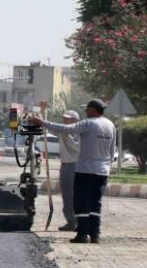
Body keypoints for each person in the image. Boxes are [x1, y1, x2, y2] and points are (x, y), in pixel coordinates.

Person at [36, 99, 115, 244]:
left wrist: (42, 122)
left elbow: (67, 129)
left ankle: (82, 234)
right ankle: (95, 234)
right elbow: (111, 150)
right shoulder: (110, 125)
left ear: (93, 110)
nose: (86, 112)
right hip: (102, 171)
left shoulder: (88, 123)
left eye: (87, 109)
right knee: (95, 203)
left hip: (85, 170)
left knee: (81, 202)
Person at [56, 109, 81, 232]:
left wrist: (68, 139)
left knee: (74, 195)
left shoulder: (79, 132)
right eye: (64, 118)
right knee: (66, 195)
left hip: (75, 166)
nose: (64, 121)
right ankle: (70, 221)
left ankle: (78, 221)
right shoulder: (62, 130)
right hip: (64, 166)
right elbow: (48, 128)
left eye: (67, 119)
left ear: (74, 121)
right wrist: (42, 114)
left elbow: (78, 148)